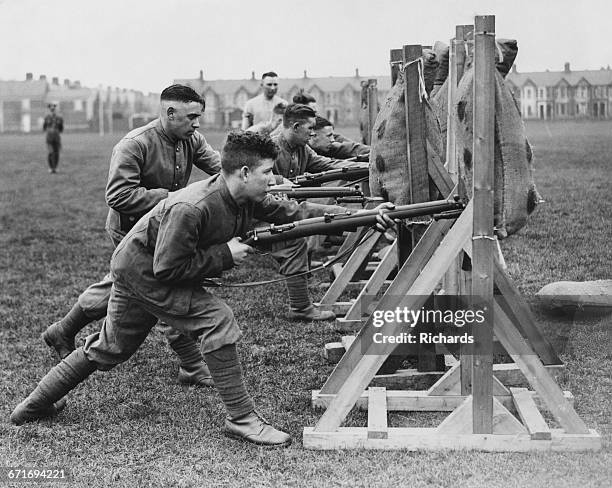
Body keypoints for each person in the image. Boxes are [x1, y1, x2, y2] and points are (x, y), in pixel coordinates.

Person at [10, 131, 395, 448]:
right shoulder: (193, 207)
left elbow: (295, 213)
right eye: (267, 173)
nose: (273, 180)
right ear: (243, 172)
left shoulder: (244, 194)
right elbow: (168, 268)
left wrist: (361, 216)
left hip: (139, 268)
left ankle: (32, 405)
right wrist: (224, 255)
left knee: (110, 348)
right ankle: (242, 419)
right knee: (217, 320)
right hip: (147, 272)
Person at [41, 84, 221, 387]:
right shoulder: (134, 143)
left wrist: (253, 179)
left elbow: (220, 169)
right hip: (130, 230)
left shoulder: (192, 138)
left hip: (165, 230)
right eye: (192, 116)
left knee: (122, 286)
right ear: (170, 113)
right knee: (167, 287)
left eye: (199, 117)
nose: (197, 123)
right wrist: (174, 198)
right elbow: (119, 195)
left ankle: (62, 330)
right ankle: (191, 364)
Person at [269, 104, 368, 321]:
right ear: (295, 127)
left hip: (285, 208)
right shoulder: (271, 148)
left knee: (304, 235)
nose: (313, 133)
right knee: (295, 240)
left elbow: (327, 164)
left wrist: (367, 167)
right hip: (264, 211)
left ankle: (301, 306)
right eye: (310, 128)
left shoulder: (301, 148)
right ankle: (301, 308)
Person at [43, 102, 64, 173]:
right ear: (49, 109)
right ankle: (51, 168)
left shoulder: (60, 118)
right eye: (51, 108)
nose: (52, 110)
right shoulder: (46, 117)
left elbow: (61, 129)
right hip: (49, 138)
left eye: (54, 108)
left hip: (57, 138)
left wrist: (56, 130)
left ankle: (55, 167)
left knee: (57, 152)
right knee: (51, 152)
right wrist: (50, 130)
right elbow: (44, 127)